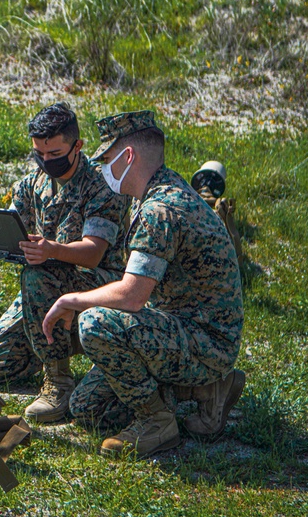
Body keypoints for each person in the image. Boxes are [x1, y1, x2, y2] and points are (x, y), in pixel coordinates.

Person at [42, 111, 245, 457]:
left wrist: (72, 300)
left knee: (94, 321)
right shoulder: (160, 191)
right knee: (86, 407)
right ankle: (205, 391)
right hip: (185, 328)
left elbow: (133, 296)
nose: (104, 167)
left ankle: (157, 421)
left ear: (129, 157)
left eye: (107, 159)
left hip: (207, 341)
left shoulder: (160, 209)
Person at [0, 103, 130, 423]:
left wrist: (51, 250)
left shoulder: (102, 185)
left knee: (38, 275)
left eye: (55, 154)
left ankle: (58, 382)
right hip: (47, 285)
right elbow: (17, 227)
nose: (47, 162)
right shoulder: (32, 184)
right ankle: (63, 339)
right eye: (39, 154)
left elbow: (93, 253)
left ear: (77, 146)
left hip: (101, 283)